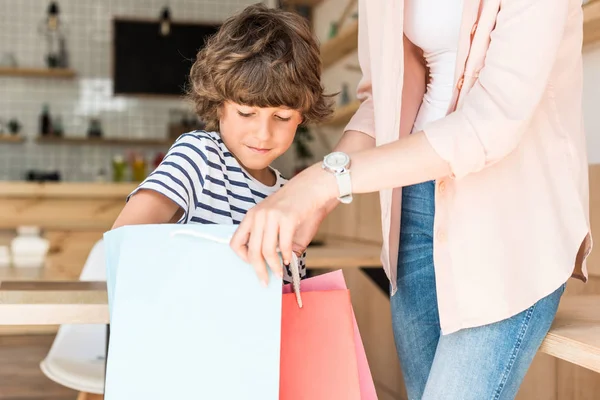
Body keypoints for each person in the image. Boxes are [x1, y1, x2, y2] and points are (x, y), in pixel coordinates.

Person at [230, 0, 592, 398]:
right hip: (411, 207)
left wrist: (325, 182)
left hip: (509, 224)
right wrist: (317, 197)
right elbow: (380, 103)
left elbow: (493, 122)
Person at [112, 3, 335, 286]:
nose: (263, 134)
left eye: (281, 117)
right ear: (219, 106)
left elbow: (288, 297)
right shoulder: (199, 157)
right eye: (246, 113)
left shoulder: (290, 195)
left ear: (301, 116)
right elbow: (123, 243)